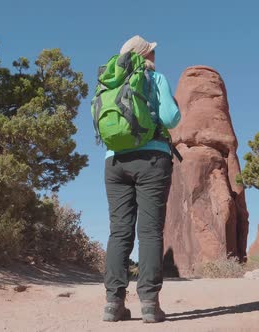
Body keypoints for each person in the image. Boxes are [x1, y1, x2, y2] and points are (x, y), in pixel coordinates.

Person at [102, 35, 181, 323]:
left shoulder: (109, 80)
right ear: (144, 55)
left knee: (119, 231)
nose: (155, 55)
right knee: (149, 232)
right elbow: (171, 119)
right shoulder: (154, 78)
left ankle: (113, 303)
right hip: (152, 159)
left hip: (114, 161)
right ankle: (149, 303)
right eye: (151, 51)